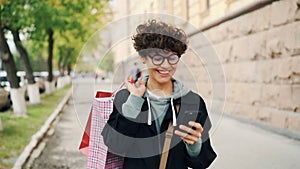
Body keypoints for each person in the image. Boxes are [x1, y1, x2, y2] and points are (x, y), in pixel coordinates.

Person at [102, 19, 216, 169]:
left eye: (173, 57)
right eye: (157, 58)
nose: (166, 65)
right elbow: (114, 145)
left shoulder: (192, 102)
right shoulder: (126, 97)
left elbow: (202, 161)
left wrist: (194, 145)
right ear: (143, 57)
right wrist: (135, 100)